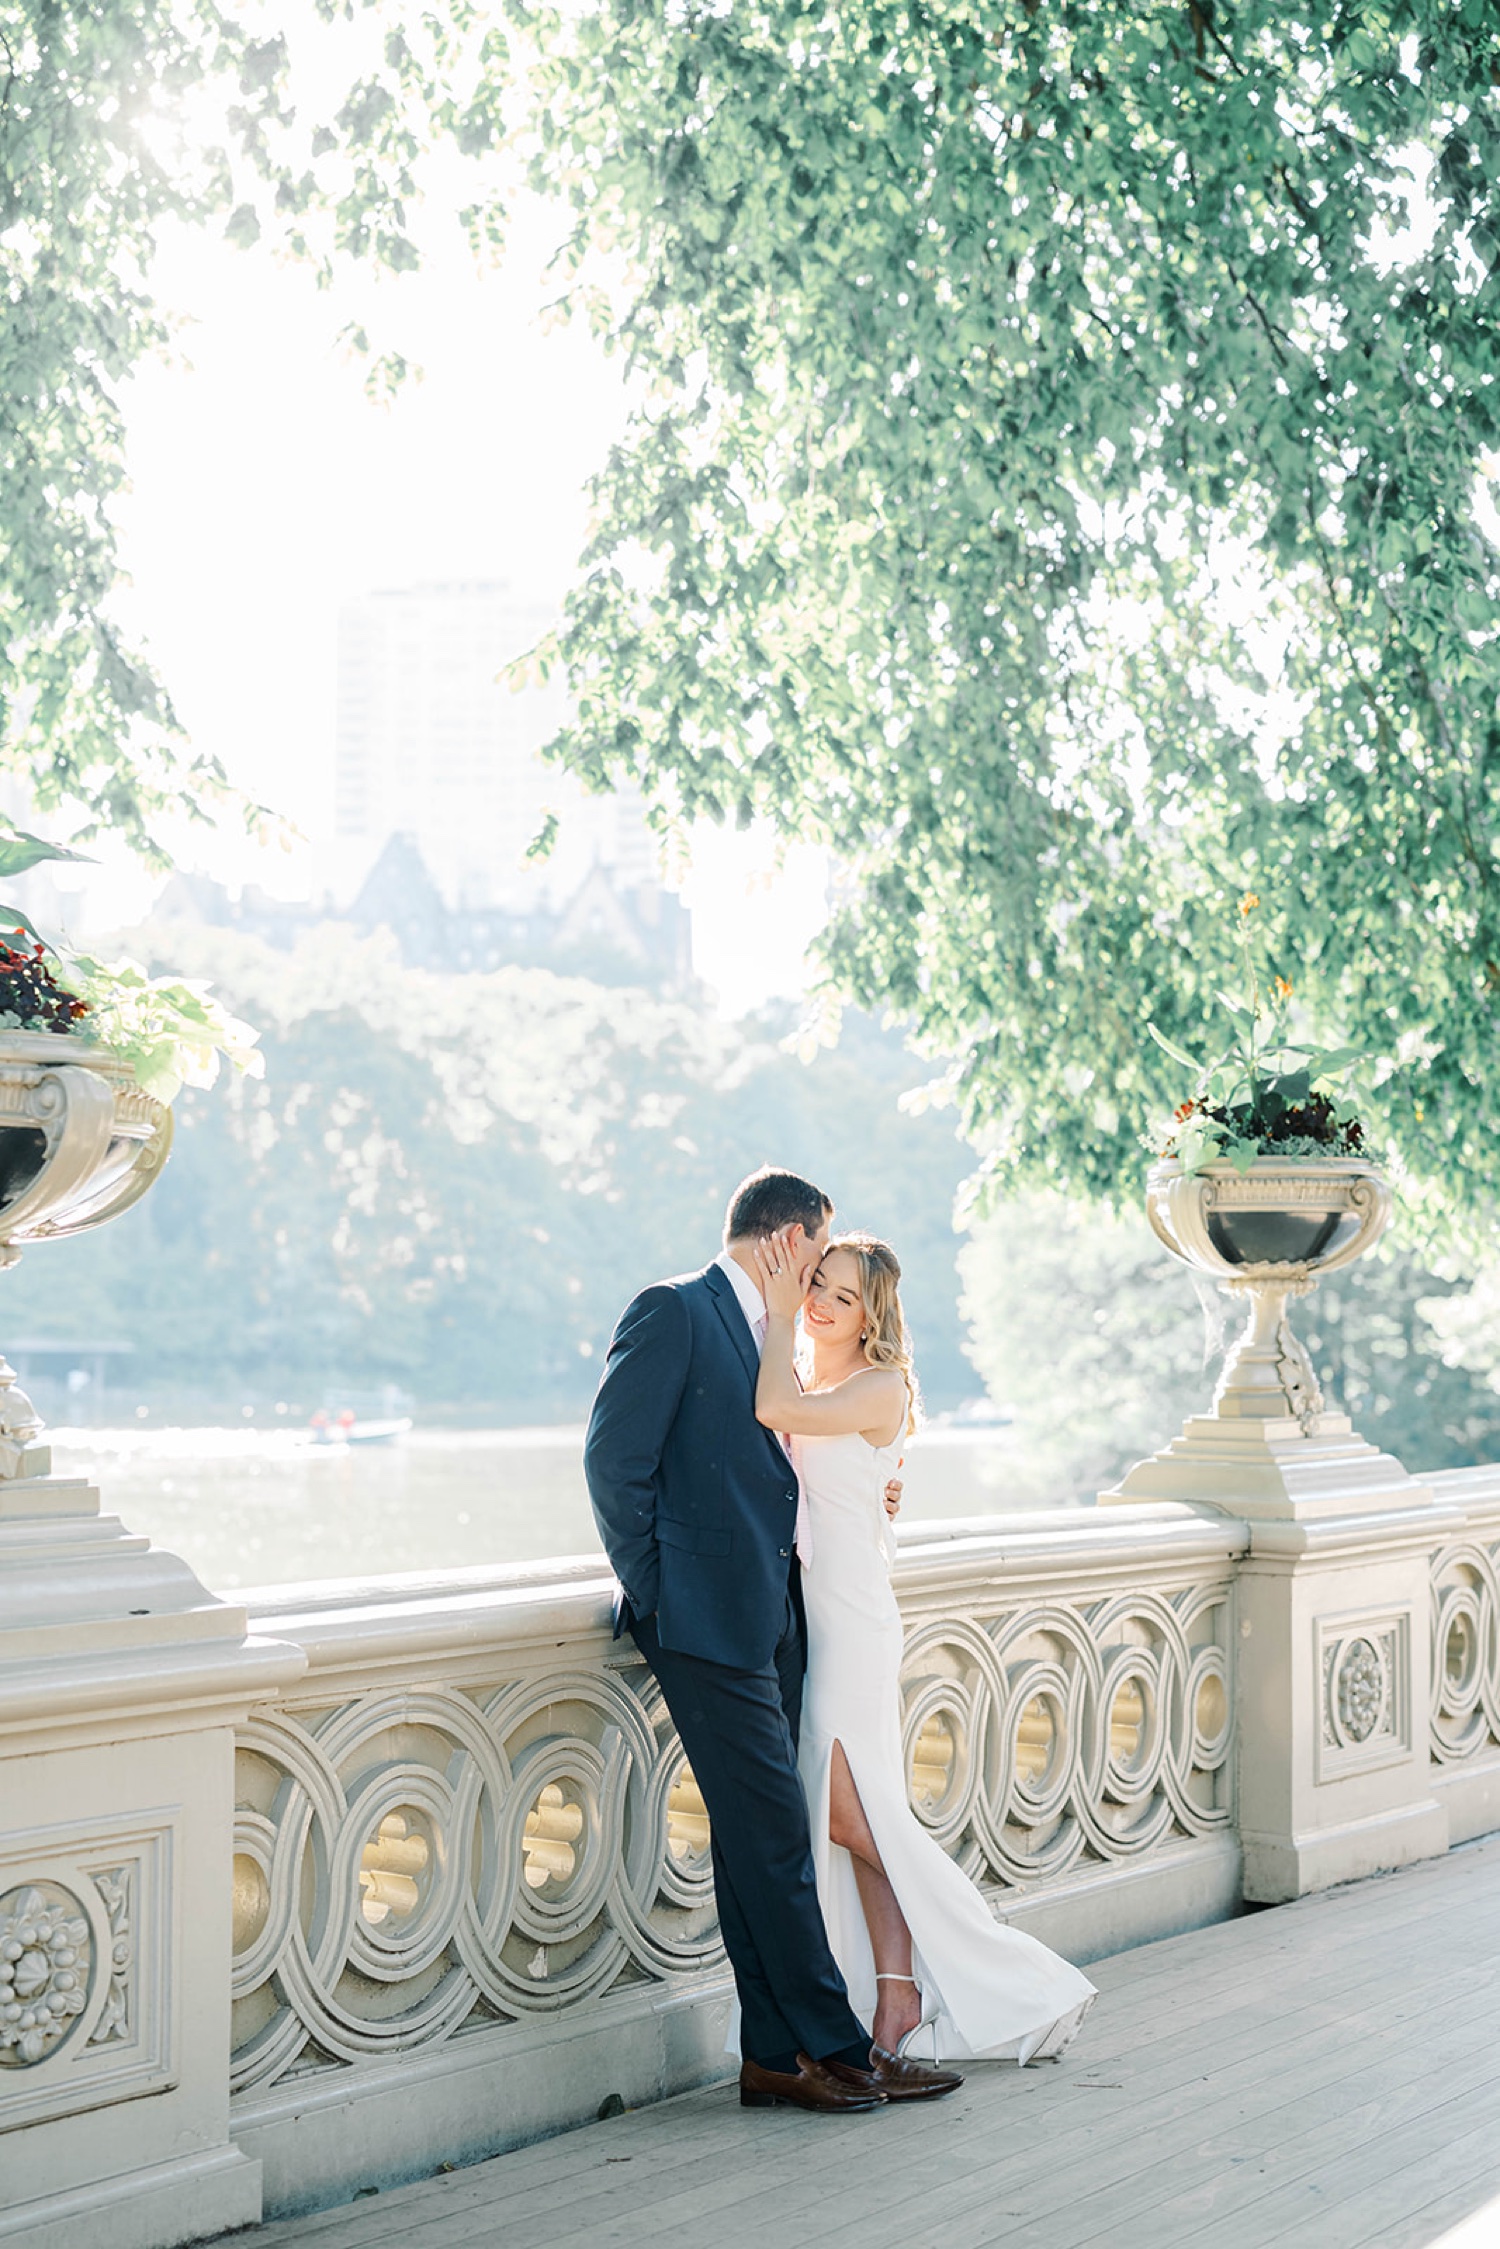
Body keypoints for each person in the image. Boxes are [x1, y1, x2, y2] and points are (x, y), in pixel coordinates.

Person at [585, 1167, 960, 2113]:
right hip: (702, 1620)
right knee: (776, 1838)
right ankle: (836, 2047)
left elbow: (794, 1463)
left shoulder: (774, 1334)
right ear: (788, 1238)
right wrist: (662, 1594)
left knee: (759, 1841)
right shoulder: (675, 1309)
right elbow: (613, 1462)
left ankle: (773, 2056)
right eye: (816, 1254)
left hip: (779, 1618)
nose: (819, 1280)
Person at [751, 1226, 1097, 2068]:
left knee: (846, 1814)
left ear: (872, 1314)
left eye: (842, 1294)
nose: (823, 1304)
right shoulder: (818, 1373)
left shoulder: (873, 1385)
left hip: (855, 1624)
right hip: (820, 1614)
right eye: (818, 1285)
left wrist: (773, 1306)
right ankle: (896, 1996)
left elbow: (773, 1414)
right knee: (855, 1811)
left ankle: (1000, 1964)